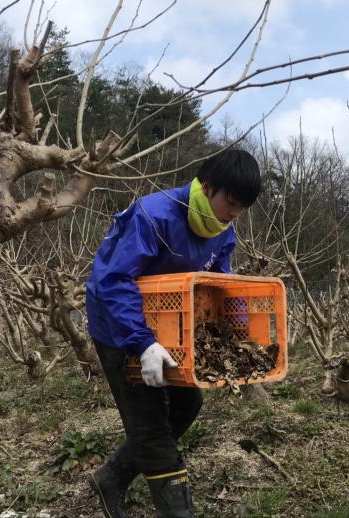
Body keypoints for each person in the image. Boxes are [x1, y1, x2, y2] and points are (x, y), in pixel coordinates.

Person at [86, 149, 261, 518]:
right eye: (230, 202)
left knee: (186, 404)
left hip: (172, 329)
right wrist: (143, 342)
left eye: (240, 209)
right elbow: (114, 280)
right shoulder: (154, 216)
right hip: (121, 326)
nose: (233, 214)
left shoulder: (221, 232)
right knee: (149, 422)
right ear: (207, 186)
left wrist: (238, 338)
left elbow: (220, 283)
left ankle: (111, 478)